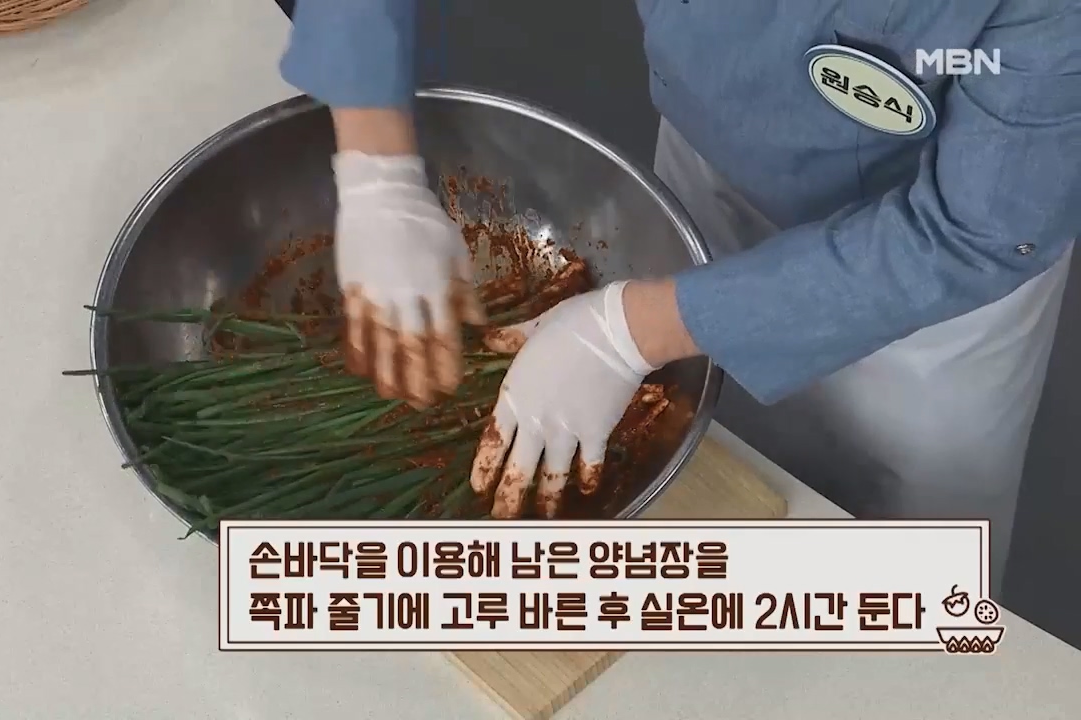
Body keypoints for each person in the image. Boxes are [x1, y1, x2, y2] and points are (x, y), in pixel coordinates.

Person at [278, 0, 1080, 596]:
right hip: (708, 176)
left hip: (930, 298)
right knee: (714, 470)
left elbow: (976, 230)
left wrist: (629, 331)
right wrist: (377, 168)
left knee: (910, 560)